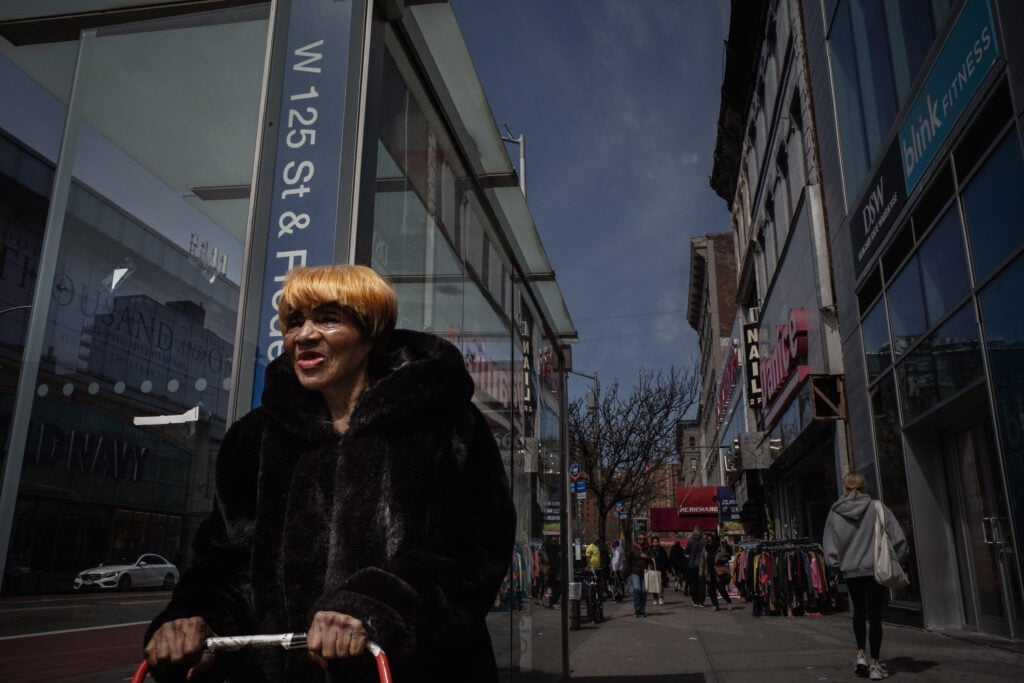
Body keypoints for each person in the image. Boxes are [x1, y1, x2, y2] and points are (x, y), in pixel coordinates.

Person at [141, 265, 516, 683]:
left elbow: (474, 550)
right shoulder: (255, 437)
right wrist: (196, 620)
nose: (304, 335)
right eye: (294, 322)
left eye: (328, 319)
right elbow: (226, 563)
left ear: (370, 332)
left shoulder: (445, 423)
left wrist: (371, 607)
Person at [823, 471, 908, 681]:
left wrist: (836, 565)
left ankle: (861, 655)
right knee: (876, 615)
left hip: (851, 571)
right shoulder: (877, 507)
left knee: (858, 612)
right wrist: (901, 558)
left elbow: (830, 544)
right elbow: (898, 539)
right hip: (875, 568)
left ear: (845, 487)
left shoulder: (835, 512)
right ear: (865, 486)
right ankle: (876, 664)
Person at [625, 532, 651, 618]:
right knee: (637, 590)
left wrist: (646, 557)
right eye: (640, 539)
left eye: (643, 539)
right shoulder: (633, 548)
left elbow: (652, 559)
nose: (641, 540)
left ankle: (642, 610)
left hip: (645, 572)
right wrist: (625, 572)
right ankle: (637, 609)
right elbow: (627, 560)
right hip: (635, 572)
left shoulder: (648, 548)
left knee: (643, 592)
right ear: (637, 539)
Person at [708, 534, 734, 611]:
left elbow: (727, 556)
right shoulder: (705, 549)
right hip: (709, 572)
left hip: (718, 572)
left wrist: (721, 560)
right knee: (711, 590)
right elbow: (702, 561)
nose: (709, 542)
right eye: (708, 540)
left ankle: (729, 602)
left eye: (710, 540)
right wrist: (701, 572)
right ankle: (715, 605)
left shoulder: (720, 548)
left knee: (721, 588)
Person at [686, 526, 706, 607]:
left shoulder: (690, 541)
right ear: (700, 532)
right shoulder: (704, 541)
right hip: (702, 565)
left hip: (692, 565)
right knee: (702, 584)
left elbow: (686, 552)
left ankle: (695, 601)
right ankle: (701, 602)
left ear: (694, 531)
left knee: (694, 583)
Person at [540, 535, 562, 608]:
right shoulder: (548, 549)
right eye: (553, 541)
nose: (554, 542)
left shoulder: (557, 550)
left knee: (555, 588)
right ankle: (551, 602)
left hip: (555, 571)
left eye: (555, 541)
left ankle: (552, 602)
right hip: (551, 571)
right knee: (550, 588)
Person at [648, 535, 669, 605]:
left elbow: (666, 560)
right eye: (654, 542)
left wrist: (667, 570)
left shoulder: (662, 550)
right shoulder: (649, 550)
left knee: (660, 584)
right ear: (652, 542)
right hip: (652, 569)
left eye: (656, 542)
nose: (655, 543)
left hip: (661, 570)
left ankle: (661, 597)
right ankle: (655, 598)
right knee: (653, 585)